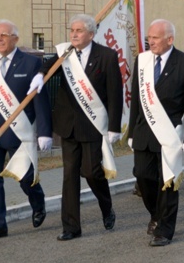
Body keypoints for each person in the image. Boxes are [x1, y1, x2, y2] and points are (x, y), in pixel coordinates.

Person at [30, 14, 123, 241]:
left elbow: (115, 94)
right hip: (68, 125)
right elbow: (49, 64)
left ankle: (106, 205)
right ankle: (71, 227)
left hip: (93, 125)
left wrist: (114, 126)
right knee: (69, 176)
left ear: (91, 34)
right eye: (72, 30)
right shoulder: (66, 53)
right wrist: (41, 74)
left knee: (92, 172)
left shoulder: (107, 56)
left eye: (79, 30)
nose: (74, 34)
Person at [0, 20, 52, 240]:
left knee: (25, 177)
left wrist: (44, 132)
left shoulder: (31, 64)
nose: (0, 39)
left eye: (4, 35)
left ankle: (38, 201)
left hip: (18, 132)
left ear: (15, 38)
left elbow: (39, 100)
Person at [128, 19, 184, 246]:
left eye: (155, 37)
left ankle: (165, 231)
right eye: (149, 37)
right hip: (143, 131)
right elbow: (137, 101)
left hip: (170, 133)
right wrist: (131, 132)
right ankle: (156, 215)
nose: (150, 41)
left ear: (170, 39)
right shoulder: (142, 61)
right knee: (143, 176)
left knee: (167, 182)